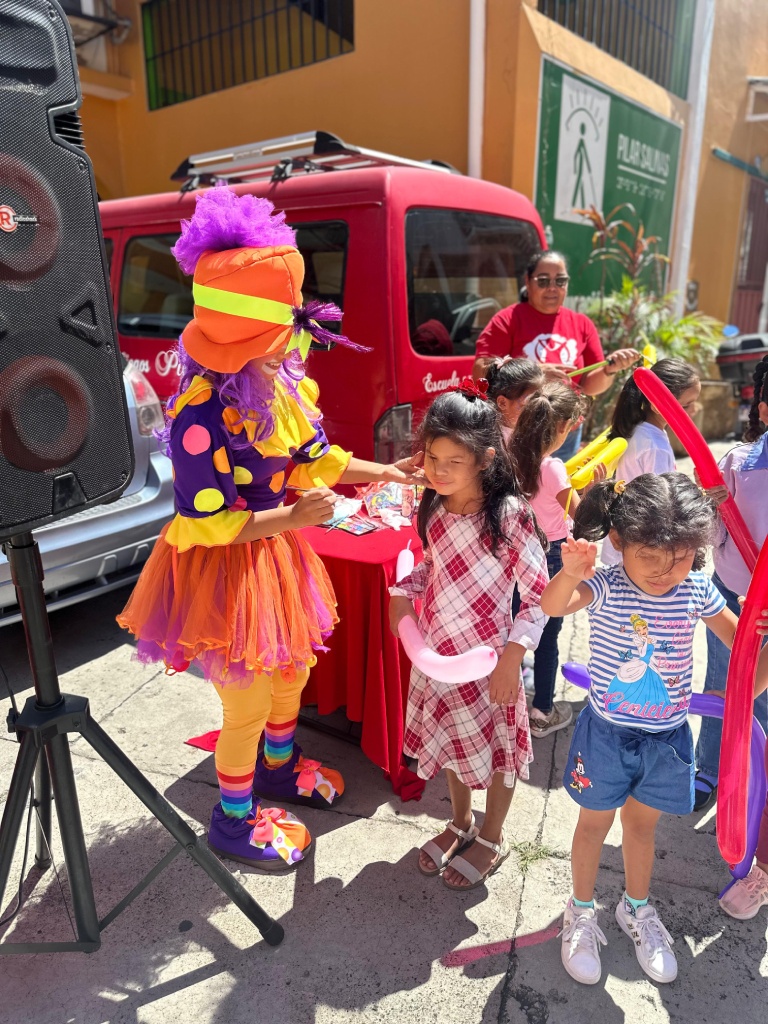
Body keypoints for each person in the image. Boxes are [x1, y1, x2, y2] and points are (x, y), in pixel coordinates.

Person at [118, 188, 423, 871]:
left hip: (275, 555)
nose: (288, 346)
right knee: (248, 703)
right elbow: (206, 524)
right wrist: (295, 515)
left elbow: (319, 458)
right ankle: (231, 822)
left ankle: (279, 774)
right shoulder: (200, 415)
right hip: (226, 566)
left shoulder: (277, 385)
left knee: (294, 675)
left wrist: (395, 471)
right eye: (276, 337)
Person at [540, 473, 768, 985]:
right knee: (593, 827)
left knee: (642, 829)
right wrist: (569, 571)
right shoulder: (605, 585)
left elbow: (745, 672)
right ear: (618, 541)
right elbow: (552, 607)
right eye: (651, 556)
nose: (667, 571)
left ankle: (636, 909)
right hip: (605, 735)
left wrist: (765, 641)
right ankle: (580, 910)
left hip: (667, 739)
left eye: (682, 556)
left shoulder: (697, 589)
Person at [388, 377, 549, 891]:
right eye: (431, 457)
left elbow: (540, 598)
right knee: (455, 748)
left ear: (484, 460)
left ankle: (493, 836)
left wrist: (511, 658)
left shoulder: (508, 516)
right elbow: (431, 568)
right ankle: (461, 822)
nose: (437, 470)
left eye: (452, 462)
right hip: (438, 658)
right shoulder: (434, 507)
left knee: (499, 753)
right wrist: (400, 592)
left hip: (489, 664)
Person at [472, 249, 640, 460]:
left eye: (560, 281)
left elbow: (588, 385)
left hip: (565, 431)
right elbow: (480, 370)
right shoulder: (507, 319)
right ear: (528, 281)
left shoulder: (582, 324)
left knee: (558, 489)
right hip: (519, 429)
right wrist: (535, 372)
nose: (552, 287)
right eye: (543, 281)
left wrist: (609, 370)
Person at [694, 353, 768, 813]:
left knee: (762, 695)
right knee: (723, 682)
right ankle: (707, 768)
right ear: (763, 408)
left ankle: (753, 779)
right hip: (732, 596)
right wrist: (710, 508)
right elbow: (712, 532)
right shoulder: (740, 462)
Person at [508, 381, 587, 738]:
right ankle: (541, 711)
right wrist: (593, 489)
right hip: (551, 554)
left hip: (517, 550)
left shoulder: (511, 454)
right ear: (563, 427)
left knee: (516, 624)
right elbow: (582, 516)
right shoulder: (552, 467)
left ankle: (507, 702)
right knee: (548, 634)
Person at [601, 358, 700, 565]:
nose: (694, 410)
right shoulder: (655, 446)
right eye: (686, 405)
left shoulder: (638, 430)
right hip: (643, 549)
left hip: (628, 540)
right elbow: (664, 504)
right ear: (657, 405)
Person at [485, 357, 545, 443]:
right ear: (502, 403)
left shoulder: (532, 432)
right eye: (529, 405)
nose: (538, 411)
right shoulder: (489, 442)